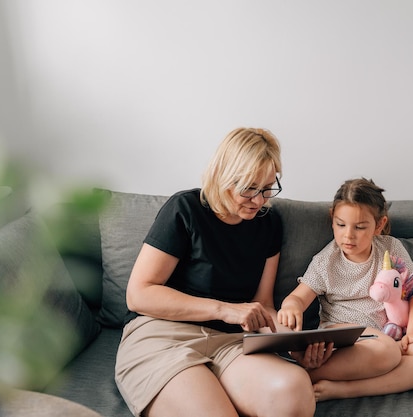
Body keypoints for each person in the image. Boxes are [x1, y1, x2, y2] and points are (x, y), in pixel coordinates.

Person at [115, 127, 316, 417]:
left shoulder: (269, 223)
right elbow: (139, 295)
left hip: (232, 343)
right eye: (249, 188)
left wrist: (292, 342)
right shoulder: (185, 209)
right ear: (223, 175)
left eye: (268, 187)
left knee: (294, 393)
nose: (259, 201)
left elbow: (264, 307)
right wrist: (225, 310)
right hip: (164, 335)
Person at [278, 178, 413, 402]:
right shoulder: (325, 262)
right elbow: (298, 297)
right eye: (341, 225)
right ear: (332, 219)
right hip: (346, 341)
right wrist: (291, 307)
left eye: (359, 227)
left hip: (390, 337)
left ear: (378, 225)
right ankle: (301, 373)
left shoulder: (390, 248)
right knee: (386, 351)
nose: (348, 235)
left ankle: (342, 390)